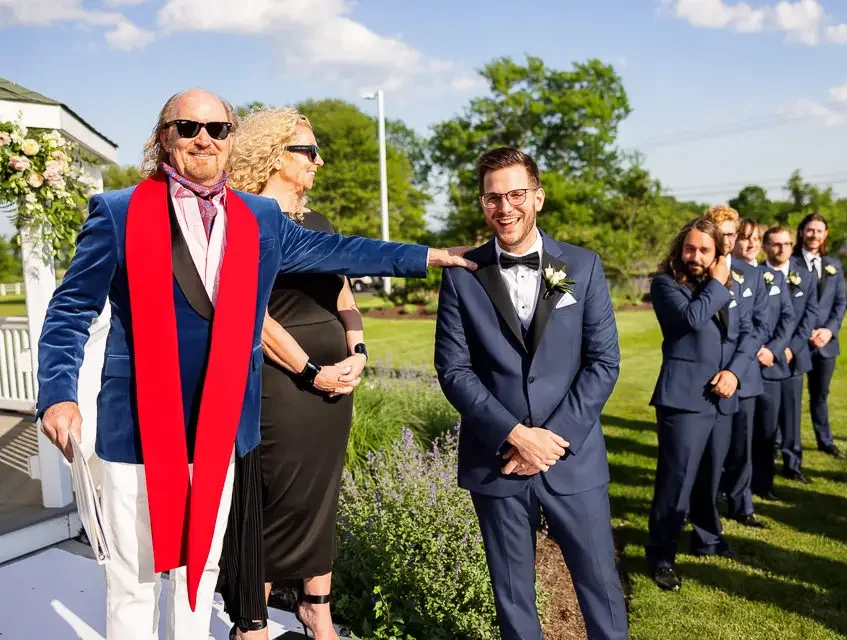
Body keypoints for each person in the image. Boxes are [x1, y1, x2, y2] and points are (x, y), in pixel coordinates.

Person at [35, 89, 475, 640]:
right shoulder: (118, 212)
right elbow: (70, 309)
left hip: (221, 426)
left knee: (201, 574)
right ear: (164, 138)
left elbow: (343, 252)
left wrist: (431, 256)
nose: (204, 138)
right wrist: (58, 393)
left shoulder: (259, 216)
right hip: (139, 425)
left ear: (231, 139)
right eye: (189, 127)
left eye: (217, 129)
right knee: (136, 579)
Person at [434, 147, 628, 640]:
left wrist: (550, 440)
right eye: (492, 198)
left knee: (601, 588)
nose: (505, 208)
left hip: (572, 458)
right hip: (497, 459)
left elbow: (603, 363)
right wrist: (517, 436)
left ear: (538, 197)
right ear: (483, 204)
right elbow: (454, 370)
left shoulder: (582, 266)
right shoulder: (461, 273)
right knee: (513, 597)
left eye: (516, 194)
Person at [216, 106, 370, 639]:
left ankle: (316, 610)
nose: (318, 161)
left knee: (322, 497)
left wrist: (358, 350)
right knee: (274, 500)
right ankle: (251, 621)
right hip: (283, 384)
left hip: (336, 386)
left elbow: (344, 296)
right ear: (273, 154)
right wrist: (311, 371)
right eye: (309, 151)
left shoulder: (319, 224)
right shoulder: (242, 220)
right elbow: (251, 314)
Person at [646, 215, 754, 592]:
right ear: (680, 249)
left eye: (704, 250)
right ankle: (660, 556)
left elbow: (747, 332)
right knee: (676, 481)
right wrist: (718, 282)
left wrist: (734, 373)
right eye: (689, 249)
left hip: (723, 396)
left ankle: (708, 538)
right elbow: (691, 319)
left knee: (710, 477)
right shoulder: (665, 284)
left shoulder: (724, 284)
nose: (695, 256)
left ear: (717, 253)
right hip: (684, 399)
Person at [706, 207, 769, 528]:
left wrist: (735, 370)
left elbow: (758, 326)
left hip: (744, 376)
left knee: (743, 446)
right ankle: (701, 504)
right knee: (709, 450)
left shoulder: (750, 274)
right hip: (707, 376)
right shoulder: (697, 273)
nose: (728, 240)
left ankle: (741, 505)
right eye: (723, 234)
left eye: (733, 234)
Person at [792, 213, 847, 459]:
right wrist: (804, 332)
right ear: (801, 232)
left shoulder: (834, 265)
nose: (814, 235)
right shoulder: (790, 263)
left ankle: (825, 441)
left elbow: (840, 303)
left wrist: (829, 330)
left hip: (825, 343)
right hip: (796, 342)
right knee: (790, 397)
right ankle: (782, 443)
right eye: (810, 230)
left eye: (819, 231)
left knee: (820, 395)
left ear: (825, 235)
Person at [765, 226, 818, 484]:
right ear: (766, 247)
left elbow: (809, 318)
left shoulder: (805, 277)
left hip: (793, 358)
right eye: (776, 244)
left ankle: (793, 464)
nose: (782, 249)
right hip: (765, 357)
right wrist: (772, 349)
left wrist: (790, 348)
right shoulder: (756, 275)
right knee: (765, 418)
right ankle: (763, 465)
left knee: (791, 414)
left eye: (786, 244)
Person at [751, 225, 799, 500]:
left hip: (771, 365)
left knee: (767, 431)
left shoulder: (775, 279)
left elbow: (788, 318)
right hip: (744, 364)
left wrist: (774, 350)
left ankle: (763, 484)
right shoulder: (735, 274)